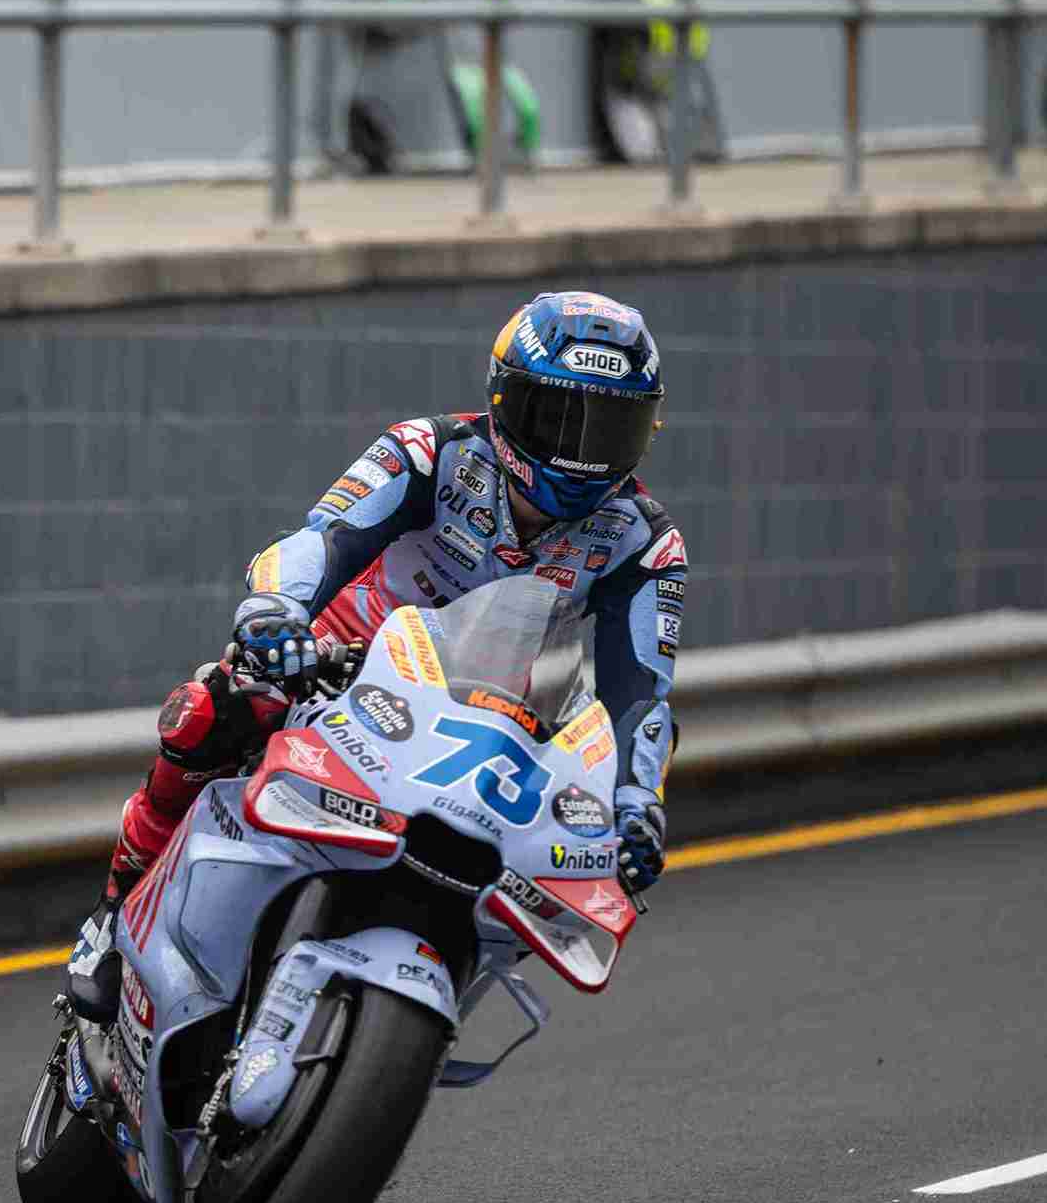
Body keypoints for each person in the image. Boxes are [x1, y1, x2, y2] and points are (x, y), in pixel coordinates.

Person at [66, 290, 686, 1023]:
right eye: (560, 419)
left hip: (489, 718)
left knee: (570, 846)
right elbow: (323, 538)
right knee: (217, 705)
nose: (580, 455)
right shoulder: (431, 452)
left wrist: (638, 803)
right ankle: (111, 913)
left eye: (610, 428)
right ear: (504, 400)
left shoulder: (643, 541)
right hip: (340, 661)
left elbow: (640, 695)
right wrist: (276, 613)